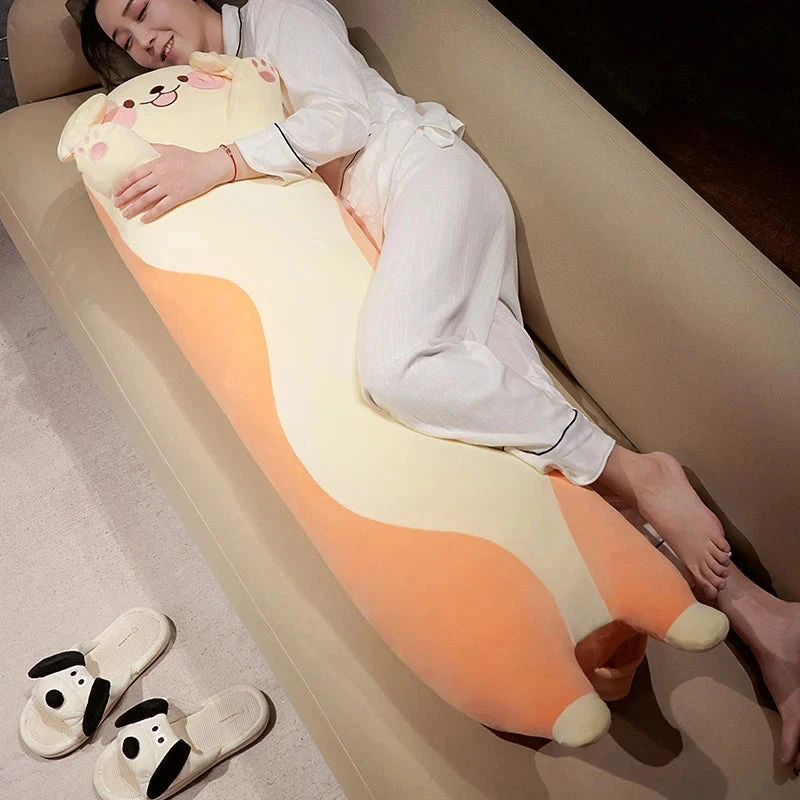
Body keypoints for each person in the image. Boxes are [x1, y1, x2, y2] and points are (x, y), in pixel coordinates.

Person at [81, 0, 800, 772]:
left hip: (422, 177)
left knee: (395, 369)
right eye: (125, 40)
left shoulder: (278, 13)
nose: (144, 42)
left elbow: (347, 115)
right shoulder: (215, 82)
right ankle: (769, 627)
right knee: (527, 442)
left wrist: (218, 162)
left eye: (141, 10)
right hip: (385, 227)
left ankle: (640, 471)